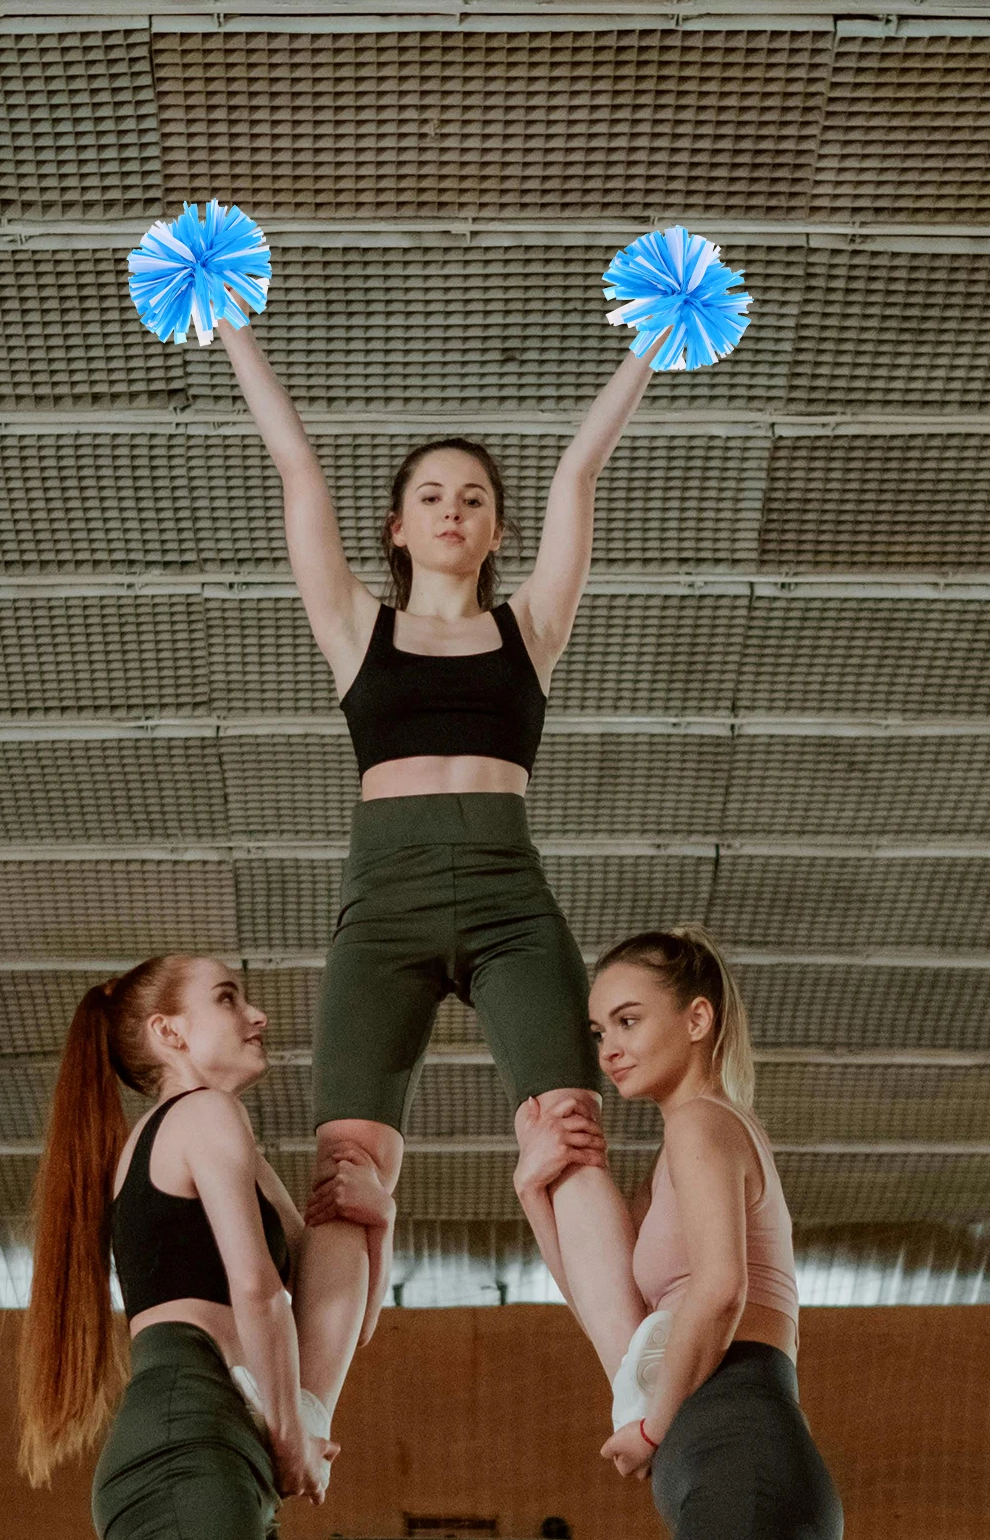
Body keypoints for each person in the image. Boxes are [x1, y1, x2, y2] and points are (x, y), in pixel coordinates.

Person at [212, 305, 671, 1389]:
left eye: (473, 499)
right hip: (387, 903)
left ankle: (633, 1367)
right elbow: (296, 468)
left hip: (513, 899)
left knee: (567, 1126)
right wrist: (231, 326)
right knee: (346, 1169)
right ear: (397, 528)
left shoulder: (532, 628)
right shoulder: (352, 625)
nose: (453, 510)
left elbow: (579, 473)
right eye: (431, 497)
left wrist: (651, 339)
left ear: (496, 530)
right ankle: (310, 1408)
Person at [16, 954, 393, 1540]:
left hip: (217, 1450)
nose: (257, 1015)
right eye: (227, 998)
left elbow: (348, 1312)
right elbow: (259, 1290)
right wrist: (292, 1440)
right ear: (169, 1032)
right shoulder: (204, 1114)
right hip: (189, 1444)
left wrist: (383, 1217)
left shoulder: (230, 1149)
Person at [515, 925, 843, 1540]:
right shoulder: (674, 1161)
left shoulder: (703, 1125)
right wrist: (532, 1189)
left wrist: (651, 1429)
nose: (609, 1049)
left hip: (743, 1462)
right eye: (599, 1033)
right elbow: (603, 1308)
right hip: (728, 1471)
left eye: (628, 1021)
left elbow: (722, 1290)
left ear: (697, 1019)